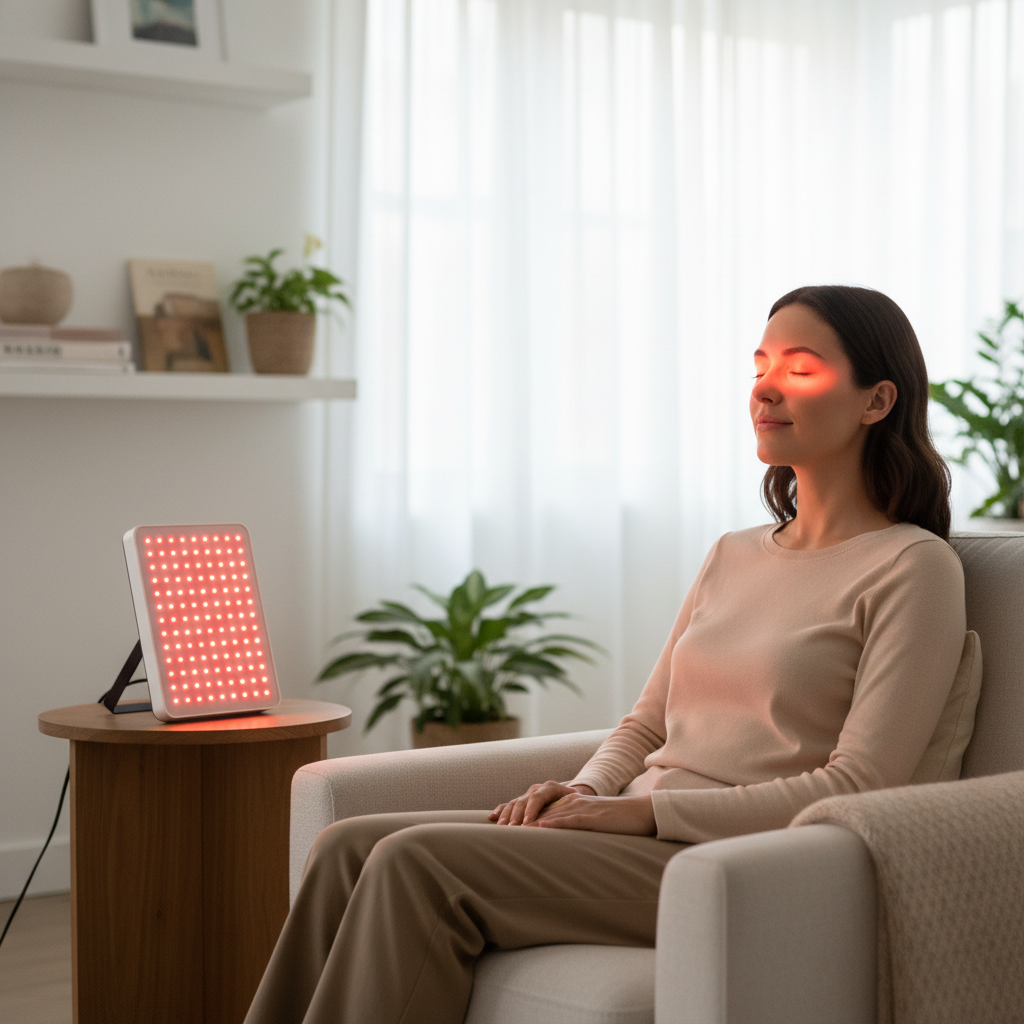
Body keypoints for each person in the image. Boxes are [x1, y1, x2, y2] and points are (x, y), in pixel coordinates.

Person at [245, 285, 968, 1024]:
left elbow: (861, 782)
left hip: (741, 859)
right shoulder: (733, 552)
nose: (766, 389)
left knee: (413, 862)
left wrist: (644, 817)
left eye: (802, 368)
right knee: (345, 845)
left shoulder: (911, 567)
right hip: (635, 826)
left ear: (877, 401)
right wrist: (588, 793)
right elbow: (645, 723)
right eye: (759, 366)